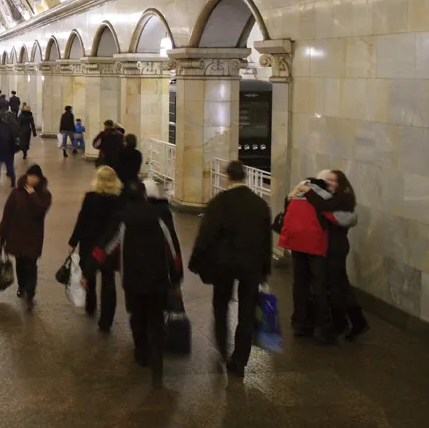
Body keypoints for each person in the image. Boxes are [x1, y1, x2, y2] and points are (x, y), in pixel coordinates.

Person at [92, 181, 183, 388]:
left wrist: (90, 269)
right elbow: (172, 248)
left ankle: (141, 353)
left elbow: (107, 246)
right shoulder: (160, 216)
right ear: (144, 195)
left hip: (132, 280)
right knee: (156, 318)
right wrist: (176, 276)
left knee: (137, 316)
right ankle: (157, 358)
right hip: (158, 279)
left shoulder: (123, 219)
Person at [189, 160, 272, 377]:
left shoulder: (219, 202)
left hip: (223, 265)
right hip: (251, 265)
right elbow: (266, 241)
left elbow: (206, 234)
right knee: (246, 312)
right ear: (244, 176)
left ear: (228, 177)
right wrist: (265, 269)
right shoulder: (259, 204)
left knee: (220, 306)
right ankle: (239, 359)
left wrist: (196, 260)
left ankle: (222, 348)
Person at [306, 170, 368, 340]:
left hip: (336, 247)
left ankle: (346, 323)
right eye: (328, 181)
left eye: (334, 181)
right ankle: (353, 322)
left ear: (342, 183)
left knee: (337, 287)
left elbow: (321, 205)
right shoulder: (336, 198)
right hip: (333, 246)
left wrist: (308, 189)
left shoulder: (342, 198)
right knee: (340, 285)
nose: (331, 184)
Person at [279, 177, 337, 344]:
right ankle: (324, 327)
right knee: (318, 285)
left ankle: (300, 323)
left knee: (300, 283)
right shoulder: (320, 199)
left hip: (296, 244)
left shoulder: (293, 197)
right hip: (316, 246)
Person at [69, 165, 124, 330]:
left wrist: (73, 241)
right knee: (108, 280)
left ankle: (90, 306)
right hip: (108, 247)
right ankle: (106, 320)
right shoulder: (119, 201)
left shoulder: (90, 198)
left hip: (89, 243)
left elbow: (81, 221)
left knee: (89, 276)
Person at [0, 165, 52, 310]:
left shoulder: (45, 195)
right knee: (20, 263)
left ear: (40, 179)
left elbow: (40, 210)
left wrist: (33, 194)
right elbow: (7, 213)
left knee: (31, 264)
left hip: (33, 237)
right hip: (16, 234)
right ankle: (22, 286)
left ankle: (30, 291)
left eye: (35, 177)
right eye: (30, 176)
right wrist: (2, 232)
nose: (32, 179)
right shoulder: (16, 193)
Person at [0, 103, 19, 187]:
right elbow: (15, 132)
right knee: (9, 165)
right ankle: (13, 181)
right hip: (9, 147)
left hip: (0, 147)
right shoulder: (11, 123)